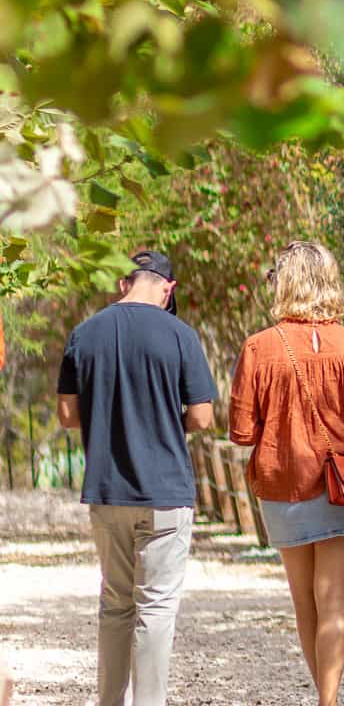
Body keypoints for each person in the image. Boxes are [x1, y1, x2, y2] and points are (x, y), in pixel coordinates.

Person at [230, 240, 344, 706]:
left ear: (284, 285)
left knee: (305, 602)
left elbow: (242, 431)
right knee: (335, 601)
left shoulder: (259, 348)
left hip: (284, 485)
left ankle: (325, 696)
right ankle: (329, 700)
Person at [57, 249, 217, 706]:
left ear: (123, 284)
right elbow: (204, 418)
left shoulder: (84, 334)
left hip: (107, 492)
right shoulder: (181, 335)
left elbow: (68, 415)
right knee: (157, 608)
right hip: (165, 492)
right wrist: (163, 419)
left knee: (115, 604)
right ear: (168, 289)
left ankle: (109, 701)